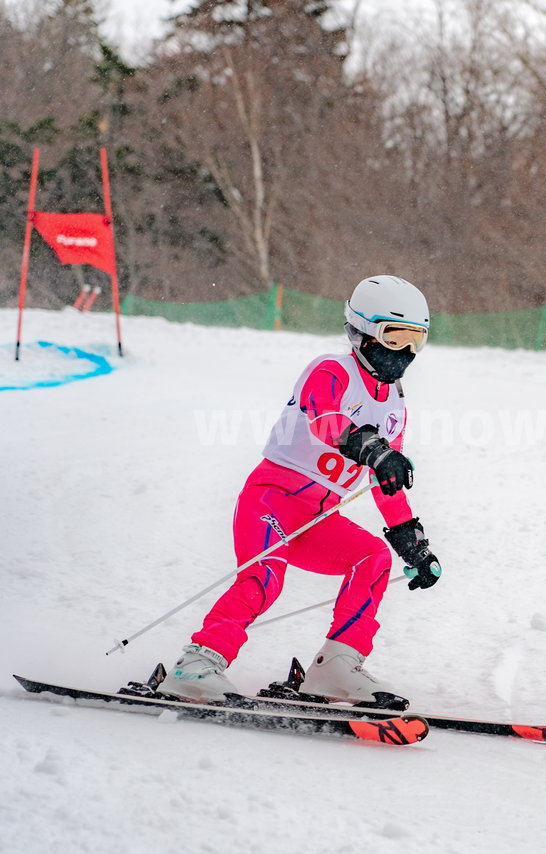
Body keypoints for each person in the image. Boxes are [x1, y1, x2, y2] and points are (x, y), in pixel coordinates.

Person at [160, 275, 443, 703]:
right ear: (363, 332)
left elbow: (385, 481)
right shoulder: (332, 371)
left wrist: (411, 539)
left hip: (317, 519)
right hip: (271, 500)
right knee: (264, 579)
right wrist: (371, 449)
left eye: (415, 340)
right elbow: (324, 419)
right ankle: (196, 665)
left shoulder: (395, 403)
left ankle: (337, 667)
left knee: (372, 558)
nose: (404, 352)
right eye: (395, 335)